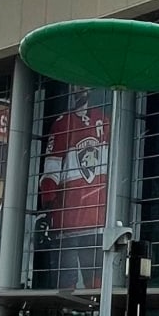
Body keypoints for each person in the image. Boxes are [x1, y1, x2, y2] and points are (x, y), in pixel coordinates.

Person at [37, 89, 110, 289]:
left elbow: (50, 173)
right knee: (75, 287)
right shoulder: (65, 123)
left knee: (84, 285)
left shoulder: (103, 121)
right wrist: (48, 206)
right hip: (76, 223)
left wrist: (47, 208)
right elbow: (51, 170)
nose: (80, 90)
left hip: (81, 223)